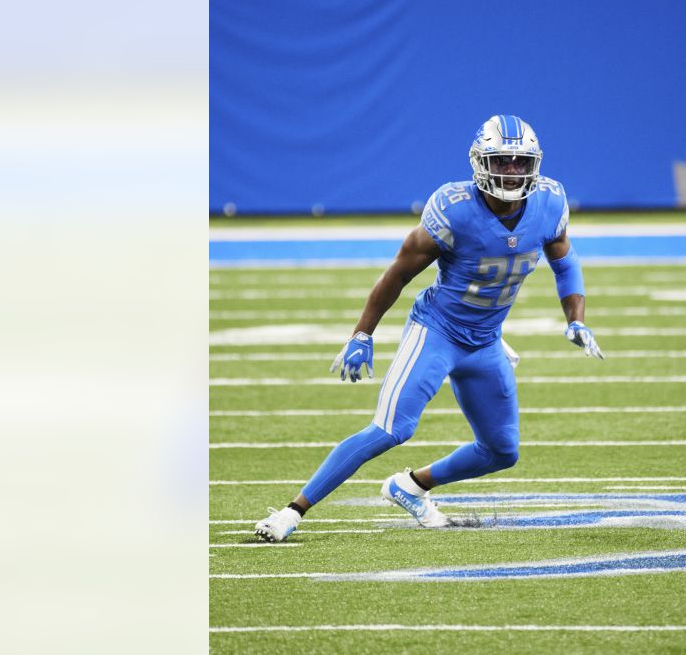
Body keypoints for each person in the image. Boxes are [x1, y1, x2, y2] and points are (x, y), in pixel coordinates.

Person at [254, 114, 604, 542]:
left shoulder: (550, 201)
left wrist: (576, 321)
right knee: (391, 429)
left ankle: (412, 485)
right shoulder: (454, 209)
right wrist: (362, 334)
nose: (512, 171)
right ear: (479, 161)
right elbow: (398, 274)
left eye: (519, 162)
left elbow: (564, 262)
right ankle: (292, 512)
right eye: (502, 161)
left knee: (501, 451)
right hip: (437, 330)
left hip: (486, 340)